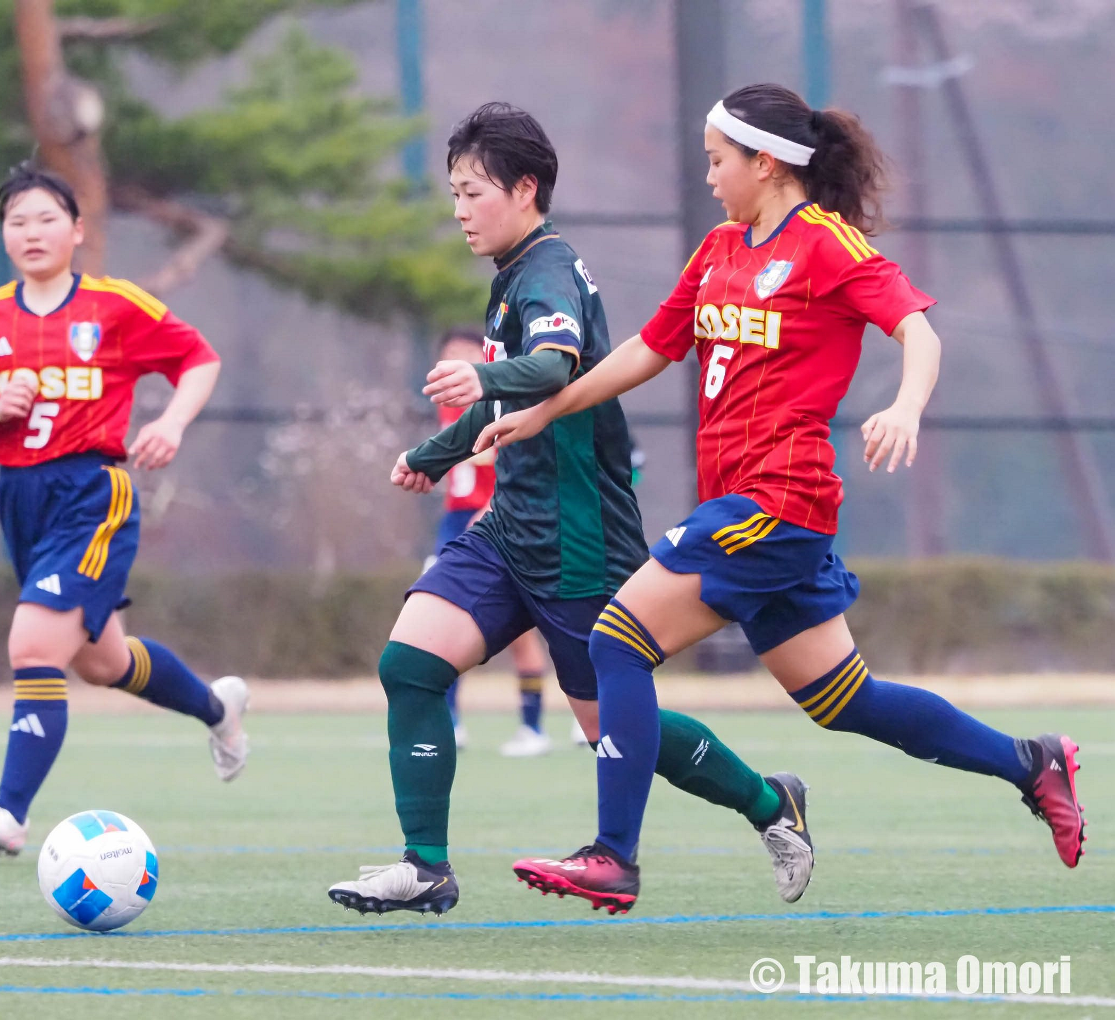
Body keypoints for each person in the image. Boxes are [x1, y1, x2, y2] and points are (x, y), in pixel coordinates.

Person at [476, 83, 1086, 914]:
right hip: (752, 510)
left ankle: (612, 857)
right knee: (845, 700)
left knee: (617, 638)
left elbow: (918, 329)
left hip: (778, 499)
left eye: (718, 161)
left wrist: (903, 406)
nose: (710, 177)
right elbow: (648, 352)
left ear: (767, 164)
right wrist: (538, 411)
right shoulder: (720, 249)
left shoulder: (826, 245)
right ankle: (1032, 761)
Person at [326, 103, 810, 917]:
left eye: (472, 191)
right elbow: (513, 400)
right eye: (452, 192)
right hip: (511, 526)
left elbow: (551, 368)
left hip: (579, 537)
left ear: (524, 189)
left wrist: (482, 381)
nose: (458, 210)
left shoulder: (548, 269)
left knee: (611, 727)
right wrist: (435, 455)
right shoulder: (513, 276)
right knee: (410, 664)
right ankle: (426, 867)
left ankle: (770, 803)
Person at [0, 165, 250, 856]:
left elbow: (200, 359)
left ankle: (10, 815)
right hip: (19, 496)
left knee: (34, 646)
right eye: (17, 221)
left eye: (46, 218)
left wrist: (172, 423)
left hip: (91, 493)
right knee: (101, 663)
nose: (31, 232)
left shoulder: (114, 306)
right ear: (3, 237)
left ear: (78, 230)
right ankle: (219, 709)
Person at [427, 326, 555, 758]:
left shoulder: (498, 403)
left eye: (465, 353)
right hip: (455, 523)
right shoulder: (447, 407)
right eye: (449, 353)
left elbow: (497, 461)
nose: (455, 360)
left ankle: (536, 727)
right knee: (437, 627)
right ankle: (450, 722)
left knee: (522, 633)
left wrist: (485, 518)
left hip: (492, 521)